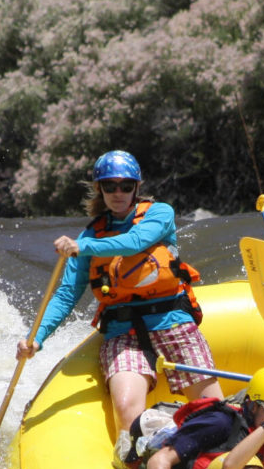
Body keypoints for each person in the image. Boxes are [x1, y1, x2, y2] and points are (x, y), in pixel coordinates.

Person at [15, 149, 223, 451]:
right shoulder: (88, 236)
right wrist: (37, 338)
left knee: (212, 411)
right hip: (121, 333)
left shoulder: (159, 214)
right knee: (127, 412)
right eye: (109, 186)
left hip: (172, 321)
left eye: (125, 185)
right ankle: (143, 468)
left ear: (136, 187)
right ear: (100, 189)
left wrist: (82, 246)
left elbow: (135, 242)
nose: (118, 192)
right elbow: (66, 294)